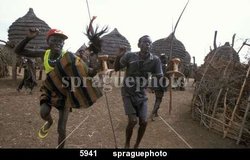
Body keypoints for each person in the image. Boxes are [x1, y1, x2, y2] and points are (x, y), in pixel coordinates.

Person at [14, 17, 105, 148]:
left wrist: (97, 67)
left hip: (65, 93)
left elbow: (88, 71)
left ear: (63, 44)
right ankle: (49, 122)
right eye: (54, 40)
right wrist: (28, 38)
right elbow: (18, 51)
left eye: (61, 41)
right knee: (44, 113)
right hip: (49, 89)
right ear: (48, 42)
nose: (58, 42)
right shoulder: (43, 54)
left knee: (61, 129)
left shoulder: (69, 57)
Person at [114, 35, 163, 148]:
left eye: (150, 43)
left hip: (141, 94)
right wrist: (118, 56)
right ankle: (127, 143)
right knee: (132, 121)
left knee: (144, 122)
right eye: (145, 42)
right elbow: (116, 68)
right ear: (139, 44)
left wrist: (159, 82)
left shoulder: (155, 60)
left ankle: (136, 144)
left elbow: (159, 76)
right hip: (128, 92)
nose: (148, 44)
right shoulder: (130, 56)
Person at [150, 54, 168, 121]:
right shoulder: (163, 67)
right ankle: (152, 114)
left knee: (157, 99)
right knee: (159, 100)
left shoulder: (156, 66)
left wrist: (152, 87)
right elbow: (163, 77)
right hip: (160, 86)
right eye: (165, 59)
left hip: (156, 85)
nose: (166, 60)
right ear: (163, 59)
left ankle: (156, 113)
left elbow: (153, 76)